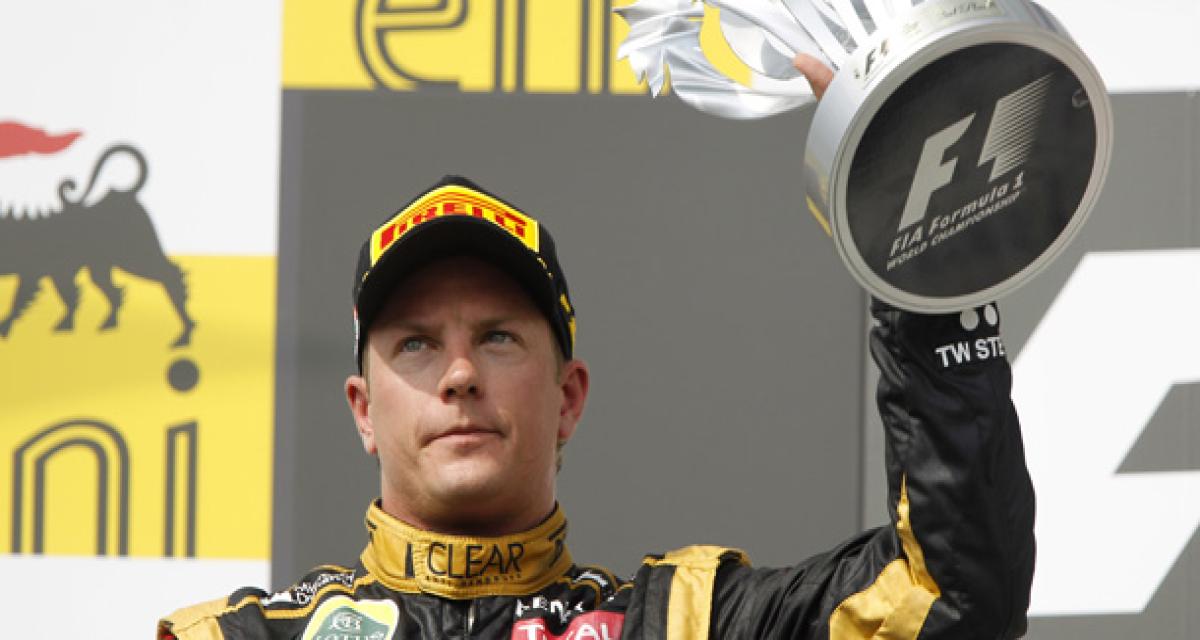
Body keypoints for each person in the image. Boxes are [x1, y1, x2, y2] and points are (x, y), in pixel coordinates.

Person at [159, 59, 1035, 639]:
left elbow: (949, 600)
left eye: (498, 337)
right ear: (362, 409)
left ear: (569, 396)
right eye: (417, 343)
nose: (459, 375)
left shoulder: (684, 624)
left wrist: (922, 240)